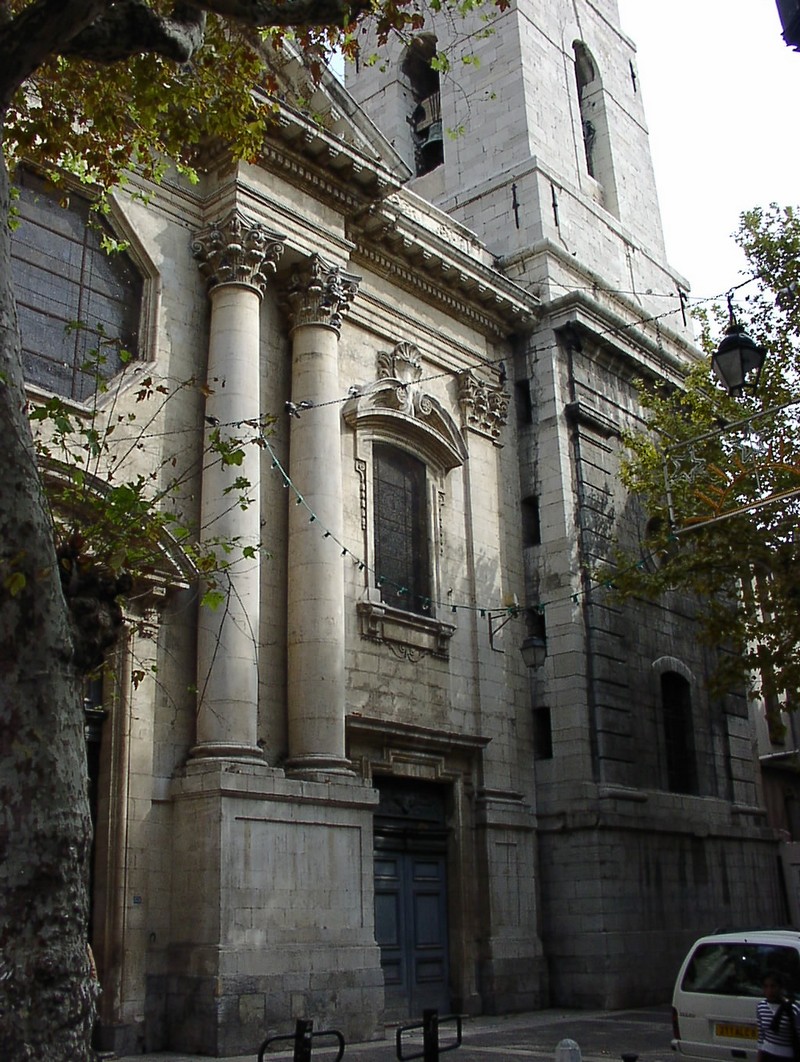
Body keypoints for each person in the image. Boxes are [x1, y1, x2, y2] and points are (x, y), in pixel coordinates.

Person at [757, 971, 800, 1062]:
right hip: (767, 1054)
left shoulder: (793, 1008)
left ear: (780, 988)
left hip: (787, 1056)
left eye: (773, 986)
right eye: (766, 987)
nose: (769, 991)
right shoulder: (761, 1007)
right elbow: (761, 1036)